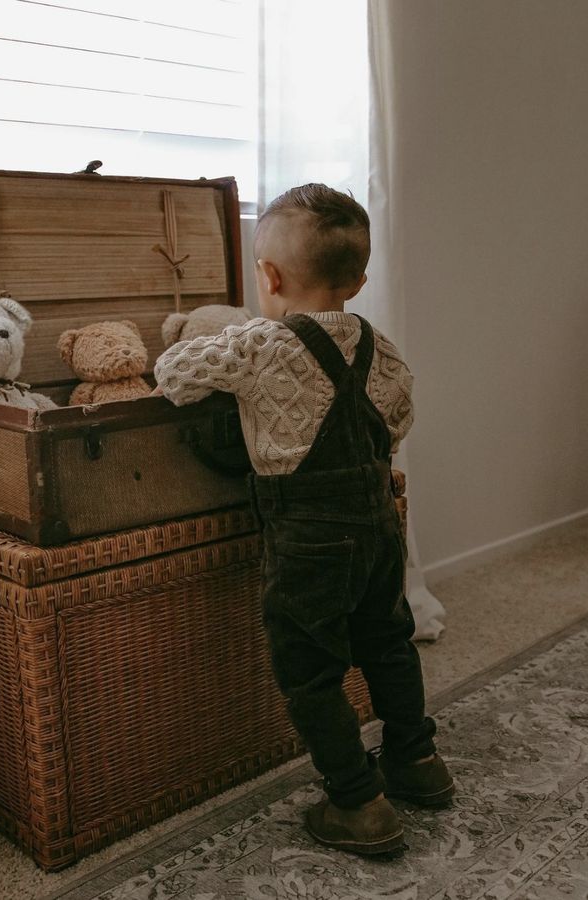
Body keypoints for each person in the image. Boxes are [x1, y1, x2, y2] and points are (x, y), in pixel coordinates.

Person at [152, 183, 454, 856]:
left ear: (268, 276)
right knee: (387, 644)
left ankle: (356, 801)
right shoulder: (383, 347)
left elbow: (172, 372)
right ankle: (416, 761)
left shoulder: (258, 344)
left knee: (310, 669)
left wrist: (230, 348)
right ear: (359, 277)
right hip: (378, 526)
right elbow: (396, 422)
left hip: (307, 539)